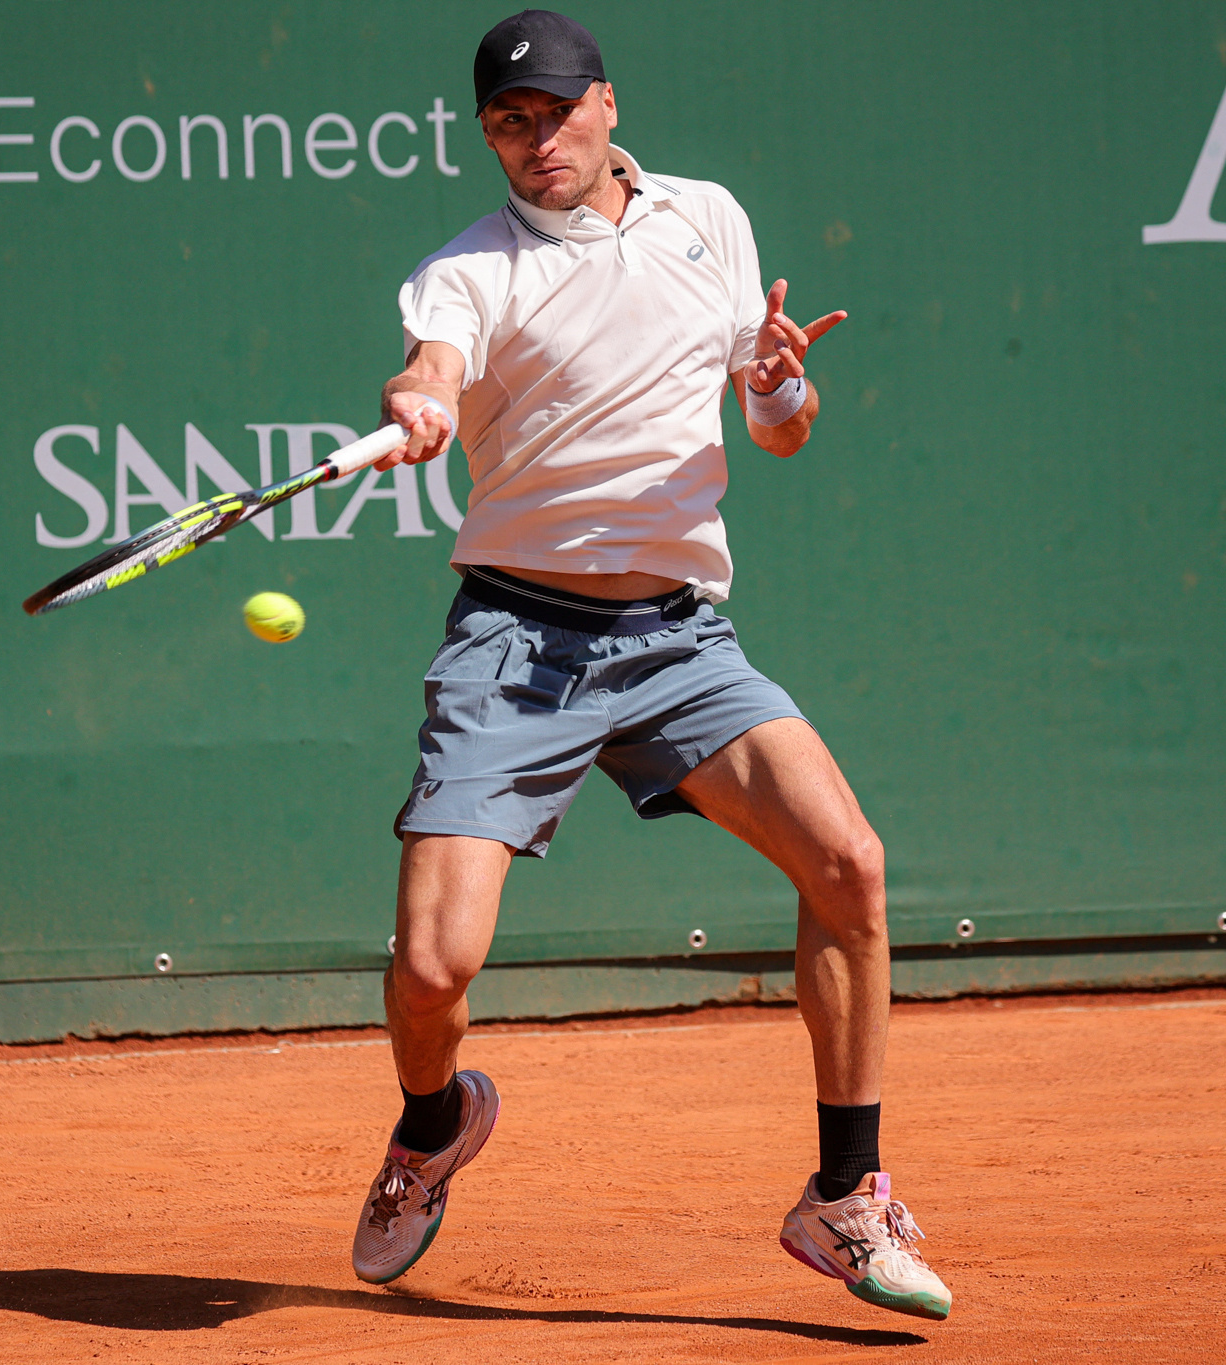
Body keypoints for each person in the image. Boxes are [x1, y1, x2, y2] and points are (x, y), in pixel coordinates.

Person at [350, 9, 950, 1322]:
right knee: (436, 964)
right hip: (518, 638)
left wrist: (782, 389)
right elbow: (436, 355)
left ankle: (848, 1193)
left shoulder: (709, 220)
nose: (533, 139)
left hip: (677, 637)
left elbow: (776, 428)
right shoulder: (471, 270)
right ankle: (431, 1121)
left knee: (847, 860)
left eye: (554, 112)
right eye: (507, 121)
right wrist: (424, 394)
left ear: (607, 106)